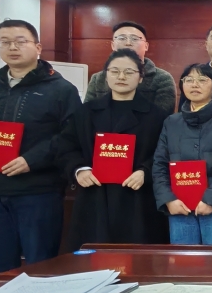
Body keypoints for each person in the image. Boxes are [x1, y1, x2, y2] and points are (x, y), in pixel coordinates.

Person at [0, 20, 81, 272]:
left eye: (20, 42)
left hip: (38, 190)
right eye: (4, 42)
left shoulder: (61, 90)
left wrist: (31, 160)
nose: (12, 48)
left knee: (40, 264)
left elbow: (70, 135)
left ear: (38, 47)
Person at [59, 49, 169, 249]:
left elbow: (165, 153)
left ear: (140, 77)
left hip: (138, 198)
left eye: (129, 72)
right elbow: (66, 146)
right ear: (105, 75)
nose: (121, 77)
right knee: (93, 256)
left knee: (136, 257)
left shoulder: (156, 116)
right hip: (94, 195)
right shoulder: (86, 112)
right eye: (115, 71)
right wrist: (79, 169)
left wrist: (145, 171)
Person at [152, 65, 212, 245]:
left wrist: (211, 200)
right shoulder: (171, 122)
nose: (195, 84)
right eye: (189, 80)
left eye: (202, 80)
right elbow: (159, 164)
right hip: (179, 207)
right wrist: (168, 199)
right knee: (183, 262)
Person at [84, 21, 177, 113]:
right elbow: (87, 113)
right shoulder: (98, 78)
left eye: (134, 39)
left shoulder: (163, 78)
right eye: (122, 38)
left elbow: (163, 116)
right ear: (113, 45)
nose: (128, 43)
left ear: (146, 46)